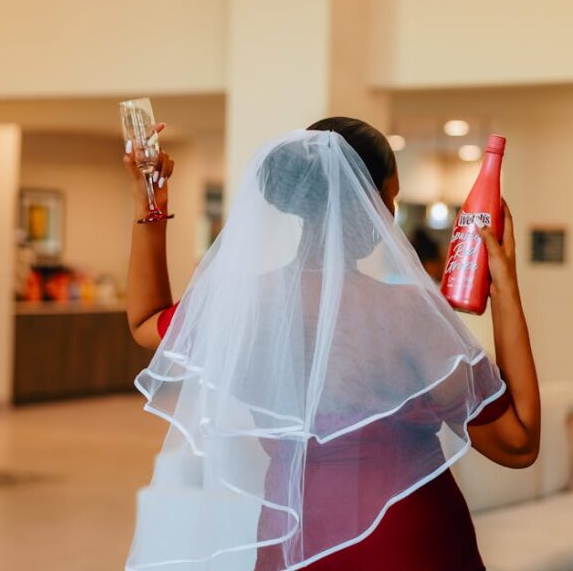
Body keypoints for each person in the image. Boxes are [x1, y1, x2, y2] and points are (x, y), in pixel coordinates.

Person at [123, 117, 540, 571]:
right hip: (407, 545)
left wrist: (151, 205)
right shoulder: (408, 314)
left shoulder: (245, 308)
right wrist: (505, 289)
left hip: (294, 543)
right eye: (392, 197)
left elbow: (145, 321)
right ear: (370, 201)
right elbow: (517, 444)